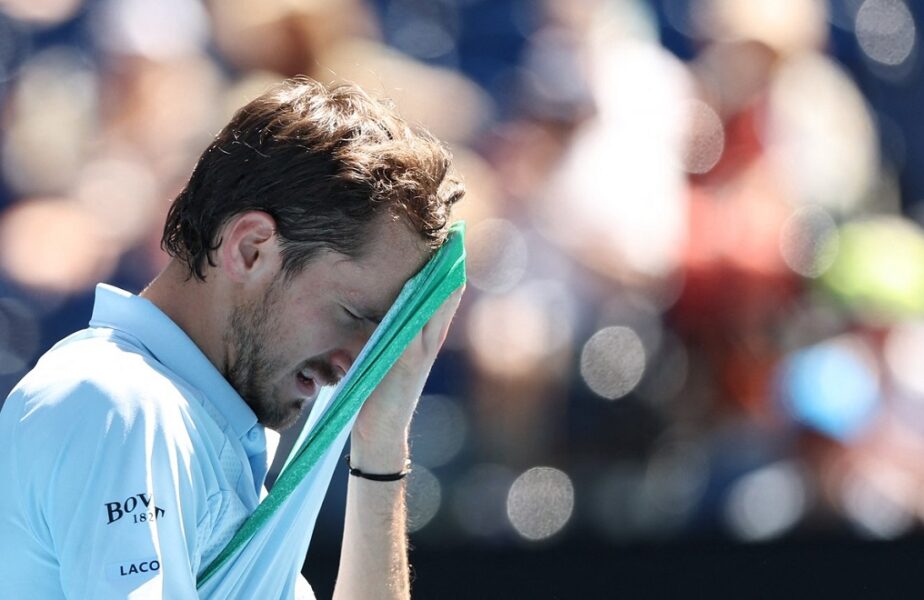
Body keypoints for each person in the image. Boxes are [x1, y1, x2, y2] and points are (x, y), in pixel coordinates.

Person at [0, 76, 465, 599]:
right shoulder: (122, 403)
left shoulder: (187, 424)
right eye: (354, 313)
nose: (358, 363)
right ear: (250, 249)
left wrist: (381, 441)